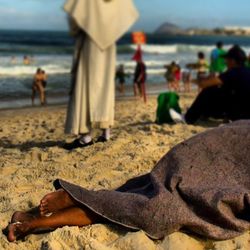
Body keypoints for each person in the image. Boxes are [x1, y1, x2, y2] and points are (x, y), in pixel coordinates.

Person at [4, 121, 250, 242]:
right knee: (157, 203)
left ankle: (38, 220)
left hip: (221, 155)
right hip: (218, 150)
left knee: (149, 198)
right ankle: (48, 213)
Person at [63, 0, 139, 150]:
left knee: (86, 86)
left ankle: (86, 136)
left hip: (90, 42)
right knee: (105, 87)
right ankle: (106, 132)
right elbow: (125, 15)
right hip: (109, 44)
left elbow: (75, 21)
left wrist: (78, 27)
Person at [184, 45, 250, 124]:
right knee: (225, 90)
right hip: (247, 114)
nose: (225, 62)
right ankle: (205, 114)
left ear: (233, 61)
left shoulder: (233, 72)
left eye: (226, 59)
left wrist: (191, 80)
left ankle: (188, 118)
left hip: (240, 115)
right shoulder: (247, 71)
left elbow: (204, 84)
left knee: (209, 90)